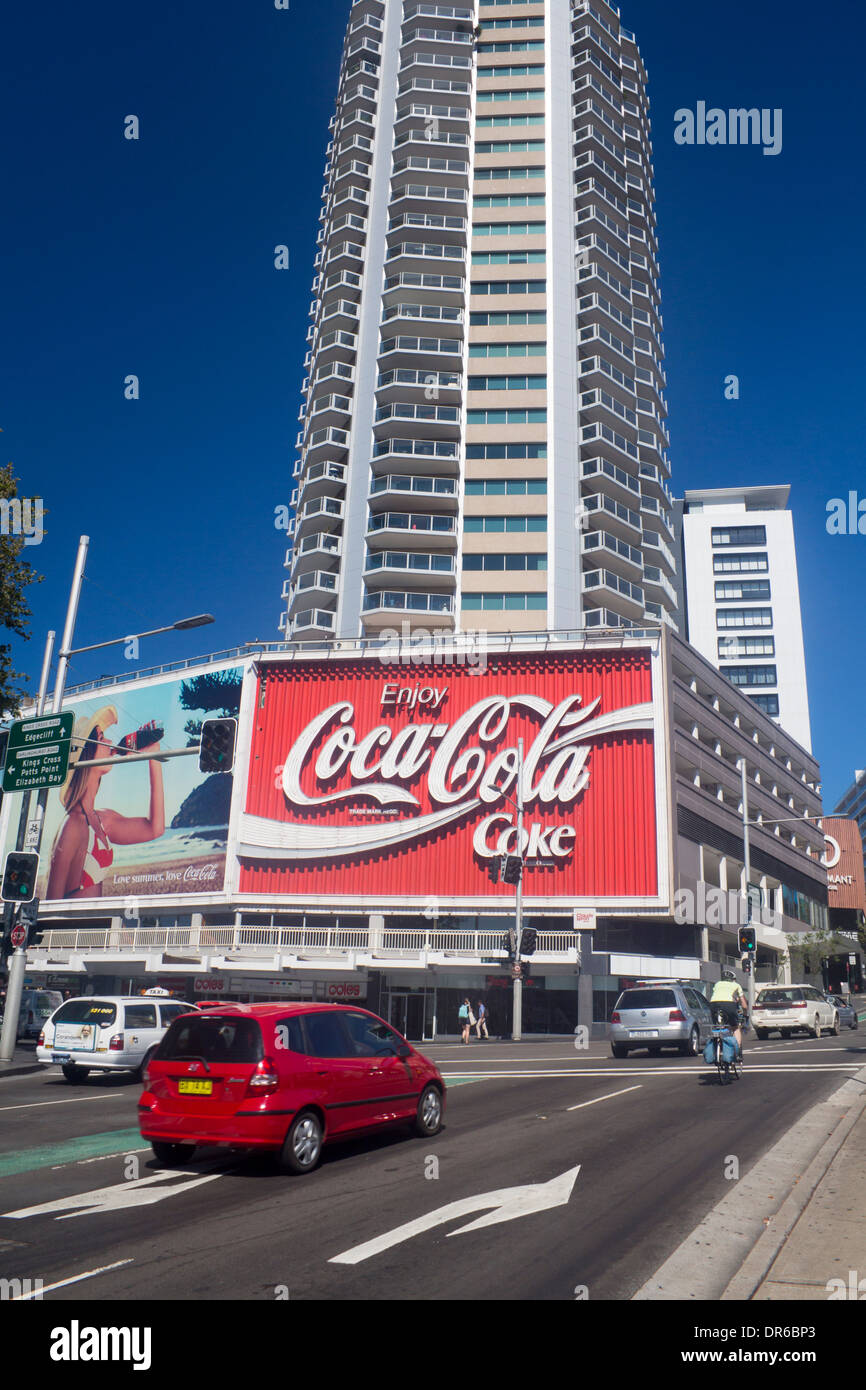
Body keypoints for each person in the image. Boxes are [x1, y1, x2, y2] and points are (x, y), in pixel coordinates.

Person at [47, 707, 165, 900]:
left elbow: (155, 829)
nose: (111, 742)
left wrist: (153, 757)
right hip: (73, 930)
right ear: (86, 754)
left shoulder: (102, 820)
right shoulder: (73, 825)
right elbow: (51, 905)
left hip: (94, 929)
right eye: (102, 739)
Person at [710, 969, 746, 1059]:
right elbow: (744, 1004)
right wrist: (746, 1014)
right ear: (733, 979)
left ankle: (718, 1047)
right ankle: (737, 1053)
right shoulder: (736, 985)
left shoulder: (717, 984)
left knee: (718, 1026)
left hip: (713, 1004)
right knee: (735, 1028)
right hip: (728, 1004)